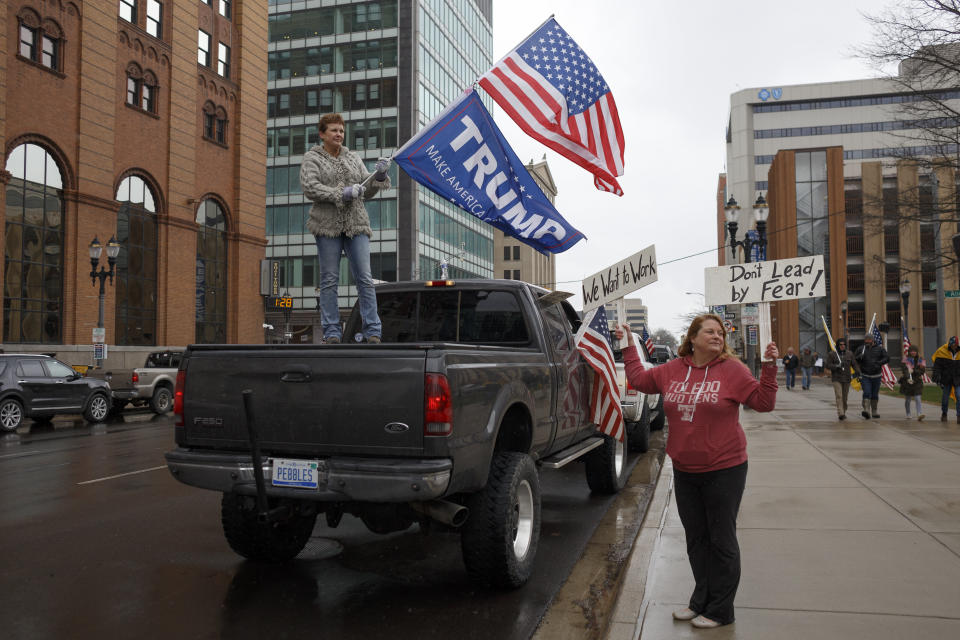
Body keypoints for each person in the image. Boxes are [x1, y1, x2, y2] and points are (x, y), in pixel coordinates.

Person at [615, 314, 779, 629]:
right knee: (697, 539)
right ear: (693, 338)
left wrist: (770, 367)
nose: (717, 336)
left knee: (721, 540)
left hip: (725, 468)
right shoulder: (673, 370)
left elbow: (763, 402)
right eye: (710, 331)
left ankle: (720, 610)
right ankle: (700, 601)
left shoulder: (732, 370)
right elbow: (637, 378)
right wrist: (627, 346)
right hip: (685, 469)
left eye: (720, 332)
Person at [300, 113, 391, 344]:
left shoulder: (353, 158)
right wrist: (341, 193)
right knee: (329, 279)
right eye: (334, 130)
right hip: (326, 226)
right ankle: (332, 332)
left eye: (341, 130)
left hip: (356, 224)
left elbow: (367, 190)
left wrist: (378, 176)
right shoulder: (312, 158)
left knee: (365, 277)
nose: (339, 134)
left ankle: (373, 330)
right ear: (322, 134)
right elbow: (310, 187)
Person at [854, 331, 890, 419]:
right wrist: (859, 357)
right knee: (867, 392)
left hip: (876, 375)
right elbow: (854, 361)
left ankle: (874, 411)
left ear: (872, 340)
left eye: (869, 339)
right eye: (866, 339)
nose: (867, 341)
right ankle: (866, 410)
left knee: (874, 394)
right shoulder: (861, 349)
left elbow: (887, 358)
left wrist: (879, 363)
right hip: (865, 375)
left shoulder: (880, 349)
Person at [824, 338, 858, 420]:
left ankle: (844, 410)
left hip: (847, 378)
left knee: (844, 397)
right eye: (841, 345)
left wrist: (858, 373)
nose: (842, 346)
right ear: (838, 346)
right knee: (839, 396)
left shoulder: (849, 354)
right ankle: (840, 413)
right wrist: (836, 366)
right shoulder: (832, 354)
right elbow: (828, 365)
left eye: (844, 345)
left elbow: (854, 364)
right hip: (837, 378)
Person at [932, 336, 960, 423]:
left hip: (958, 379)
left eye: (955, 345)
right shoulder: (942, 351)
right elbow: (937, 366)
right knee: (945, 398)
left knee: (959, 396)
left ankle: (959, 415)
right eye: (952, 345)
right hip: (946, 379)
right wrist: (937, 375)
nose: (953, 347)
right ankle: (944, 413)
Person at [900, 345, 926, 421]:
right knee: (908, 399)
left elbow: (922, 371)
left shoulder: (921, 360)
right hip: (907, 382)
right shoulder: (905, 359)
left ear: (917, 352)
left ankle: (919, 414)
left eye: (914, 351)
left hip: (917, 381)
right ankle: (908, 413)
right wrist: (908, 377)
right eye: (911, 351)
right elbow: (904, 369)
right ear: (909, 351)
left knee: (918, 398)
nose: (913, 352)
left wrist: (914, 370)